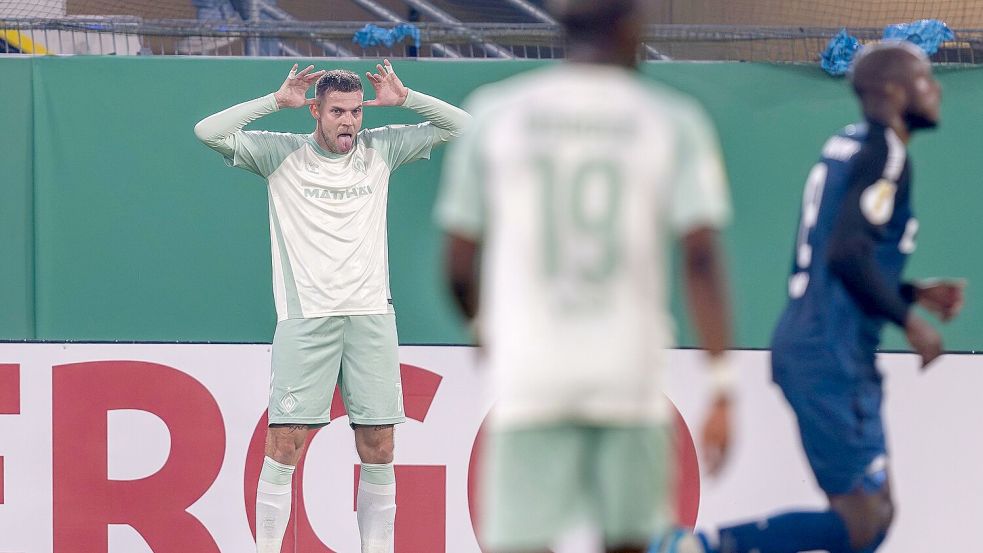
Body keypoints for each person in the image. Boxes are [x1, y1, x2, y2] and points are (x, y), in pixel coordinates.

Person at [435, 1, 736, 552]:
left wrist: (482, 324)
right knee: (630, 543)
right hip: (626, 373)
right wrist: (721, 384)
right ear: (631, 29)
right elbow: (700, 257)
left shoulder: (499, 113)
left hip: (533, 370)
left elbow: (458, 263)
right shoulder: (670, 118)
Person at [676, 40, 965, 553]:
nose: (936, 87)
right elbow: (847, 256)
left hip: (821, 342)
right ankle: (699, 547)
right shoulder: (886, 154)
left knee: (873, 516)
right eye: (925, 78)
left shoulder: (847, 145)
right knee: (864, 520)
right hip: (830, 353)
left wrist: (915, 292)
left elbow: (837, 258)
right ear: (894, 92)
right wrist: (909, 319)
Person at [194, 60, 470, 553]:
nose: (349, 121)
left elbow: (464, 126)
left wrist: (405, 99)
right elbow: (207, 131)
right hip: (307, 319)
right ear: (314, 112)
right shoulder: (279, 155)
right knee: (285, 444)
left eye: (357, 111)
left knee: (380, 446)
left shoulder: (381, 149)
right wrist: (272, 103)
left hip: (371, 317)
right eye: (338, 111)